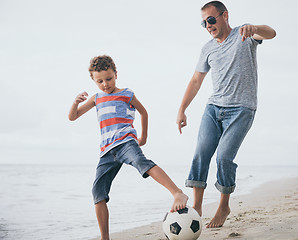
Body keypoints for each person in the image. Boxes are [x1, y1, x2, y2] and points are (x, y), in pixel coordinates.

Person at [176, 1, 276, 228]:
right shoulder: (207, 49)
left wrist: (255, 27)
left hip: (242, 109)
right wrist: (182, 109)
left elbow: (272, 33)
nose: (208, 25)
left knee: (223, 158)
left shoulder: (245, 34)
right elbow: (195, 80)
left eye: (211, 19)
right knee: (201, 154)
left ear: (224, 16)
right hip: (213, 108)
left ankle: (223, 207)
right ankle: (198, 206)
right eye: (204, 22)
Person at [69, 55, 188, 240]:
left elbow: (143, 112)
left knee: (141, 162)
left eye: (109, 79)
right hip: (107, 151)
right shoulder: (96, 98)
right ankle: (105, 237)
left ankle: (177, 193)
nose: (105, 84)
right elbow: (73, 117)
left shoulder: (126, 94)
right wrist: (75, 102)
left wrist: (143, 137)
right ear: (93, 80)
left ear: (116, 74)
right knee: (98, 191)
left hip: (126, 142)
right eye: (99, 81)